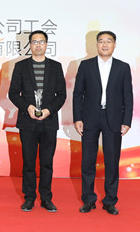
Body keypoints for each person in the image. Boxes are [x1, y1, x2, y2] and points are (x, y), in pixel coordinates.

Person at [73, 31, 133, 215]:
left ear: (114, 45)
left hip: (113, 118)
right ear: (96, 44)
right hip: (90, 117)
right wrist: (78, 118)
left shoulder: (123, 67)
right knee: (87, 161)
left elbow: (128, 96)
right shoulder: (86, 66)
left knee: (112, 161)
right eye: (101, 41)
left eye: (108, 41)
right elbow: (78, 94)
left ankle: (110, 201)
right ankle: (88, 200)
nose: (105, 45)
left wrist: (126, 120)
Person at [8, 30, 66, 212]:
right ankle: (29, 198)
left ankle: (46, 198)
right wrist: (27, 107)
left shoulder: (55, 67)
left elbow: (62, 95)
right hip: (28, 122)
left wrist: (49, 110)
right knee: (29, 163)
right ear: (30, 45)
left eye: (41, 42)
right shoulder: (21, 66)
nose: (38, 45)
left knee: (47, 163)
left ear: (46, 44)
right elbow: (13, 93)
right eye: (34, 42)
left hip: (49, 122)